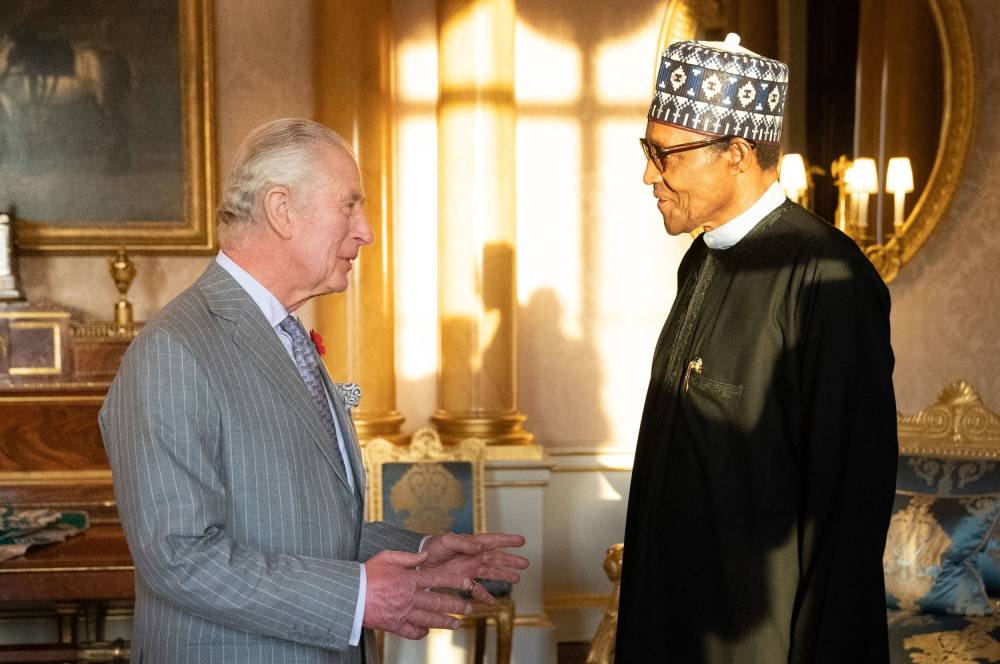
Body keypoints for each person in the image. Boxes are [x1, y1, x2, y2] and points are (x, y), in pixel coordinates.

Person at [99, 118, 529, 664]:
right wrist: (357, 597)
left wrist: (418, 554)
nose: (366, 231)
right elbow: (178, 556)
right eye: (349, 205)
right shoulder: (176, 349)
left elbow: (301, 525)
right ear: (282, 210)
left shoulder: (283, 333)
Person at [615, 34, 897, 663]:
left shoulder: (829, 277)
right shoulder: (703, 258)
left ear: (737, 153)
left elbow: (849, 506)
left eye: (665, 156)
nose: (648, 174)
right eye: (647, 151)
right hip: (674, 626)